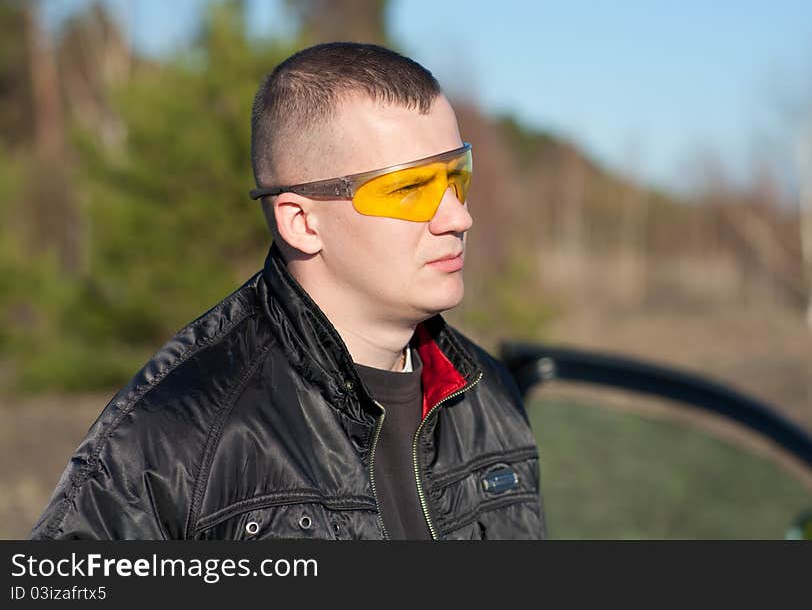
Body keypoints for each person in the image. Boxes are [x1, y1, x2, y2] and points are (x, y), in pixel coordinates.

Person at [30, 42, 547, 540]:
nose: (459, 216)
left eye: (458, 176)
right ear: (301, 222)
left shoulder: (489, 396)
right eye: (411, 189)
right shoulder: (172, 437)